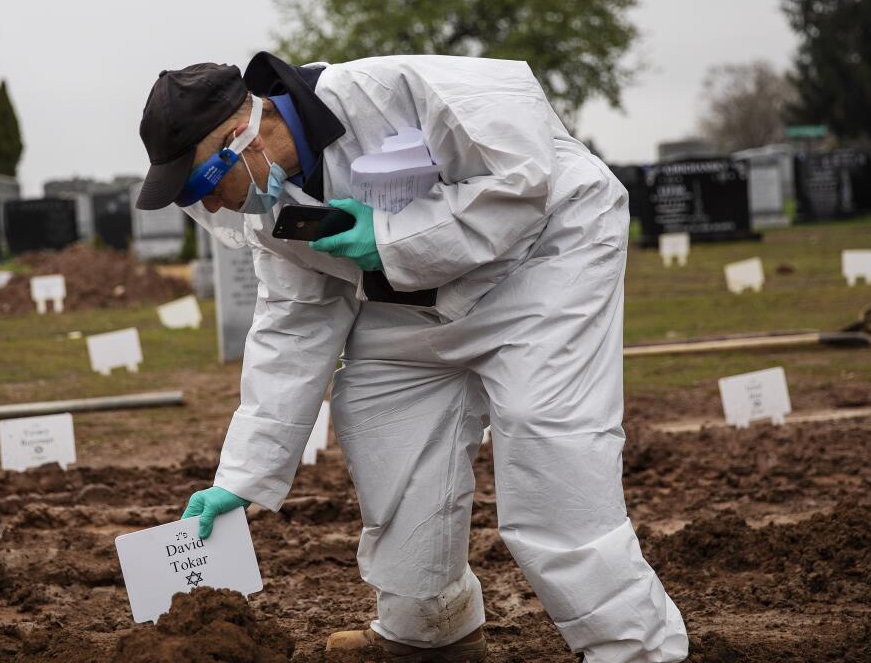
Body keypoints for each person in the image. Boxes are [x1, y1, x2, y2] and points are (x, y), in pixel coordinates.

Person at [135, 53, 688, 663]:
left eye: (203, 187)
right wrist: (240, 477)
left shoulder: (391, 90)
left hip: (543, 264)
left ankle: (635, 649)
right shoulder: (269, 213)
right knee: (384, 434)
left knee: (549, 454)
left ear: (241, 137)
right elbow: (294, 325)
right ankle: (428, 631)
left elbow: (525, 182)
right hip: (406, 303)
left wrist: (391, 237)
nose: (210, 209)